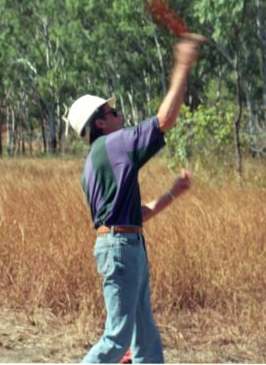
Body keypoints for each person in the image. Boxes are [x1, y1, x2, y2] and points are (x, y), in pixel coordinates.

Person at [67, 35, 203, 363]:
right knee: (117, 339)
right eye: (112, 111)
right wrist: (183, 65)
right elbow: (165, 120)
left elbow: (131, 217)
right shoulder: (113, 145)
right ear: (100, 122)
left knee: (145, 340)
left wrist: (172, 193)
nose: (119, 115)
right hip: (122, 251)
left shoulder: (93, 163)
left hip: (126, 246)